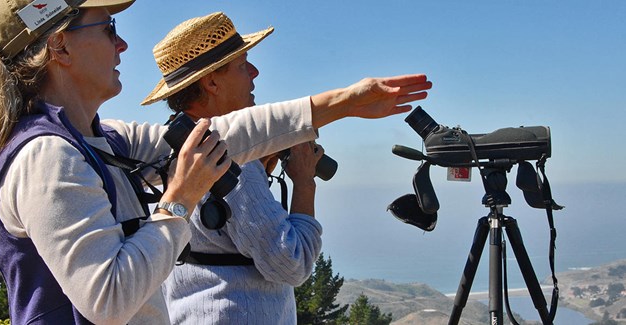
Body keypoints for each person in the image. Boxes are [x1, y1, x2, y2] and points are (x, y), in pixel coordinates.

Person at [0, 1, 430, 324]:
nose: (123, 45)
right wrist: (180, 199)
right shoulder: (47, 157)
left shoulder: (101, 138)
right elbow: (108, 300)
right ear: (60, 46)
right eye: (109, 28)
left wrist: (342, 102)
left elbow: (223, 137)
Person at [139, 12, 430, 324]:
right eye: (242, 65)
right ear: (211, 82)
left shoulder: (168, 150)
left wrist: (261, 174)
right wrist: (304, 182)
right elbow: (291, 264)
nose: (254, 72)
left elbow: (217, 238)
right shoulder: (227, 157)